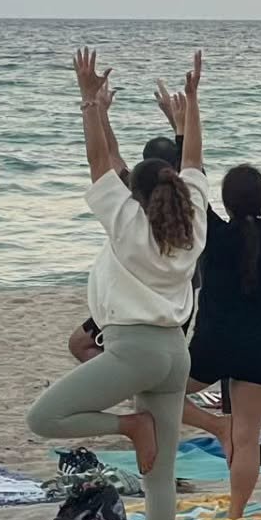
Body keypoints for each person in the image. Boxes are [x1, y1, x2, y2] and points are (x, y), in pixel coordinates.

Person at [28, 49, 209, 520]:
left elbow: (98, 164)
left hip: (134, 350)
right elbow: (194, 159)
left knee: (45, 417)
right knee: (160, 477)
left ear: (137, 197)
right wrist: (192, 106)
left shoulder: (126, 224)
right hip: (175, 352)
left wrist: (91, 102)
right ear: (174, 188)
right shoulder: (193, 221)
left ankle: (130, 426)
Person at [180, 92, 261, 520]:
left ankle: (213, 427)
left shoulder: (211, 231)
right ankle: (235, 514)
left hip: (211, 339)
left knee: (155, 395)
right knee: (248, 437)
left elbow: (192, 180)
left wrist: (184, 122)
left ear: (225, 202)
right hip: (256, 342)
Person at [67, 89, 184, 364]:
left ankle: (130, 386)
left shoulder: (130, 201)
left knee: (80, 344)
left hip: (134, 309)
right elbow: (192, 157)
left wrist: (99, 111)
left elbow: (106, 156)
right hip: (178, 302)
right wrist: (177, 118)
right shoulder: (188, 204)